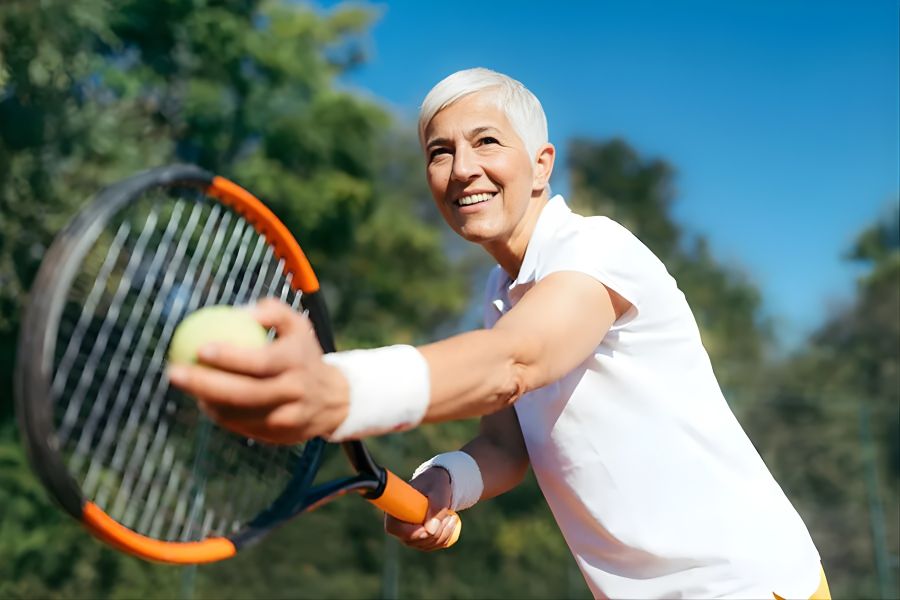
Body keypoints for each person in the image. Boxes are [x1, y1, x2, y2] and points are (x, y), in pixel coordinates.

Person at [168, 68, 830, 599]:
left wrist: (337, 391)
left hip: (744, 584)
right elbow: (507, 443)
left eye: (486, 141)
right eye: (440, 151)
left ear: (541, 165)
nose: (461, 169)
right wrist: (444, 483)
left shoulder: (596, 249)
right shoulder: (500, 297)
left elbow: (518, 361)